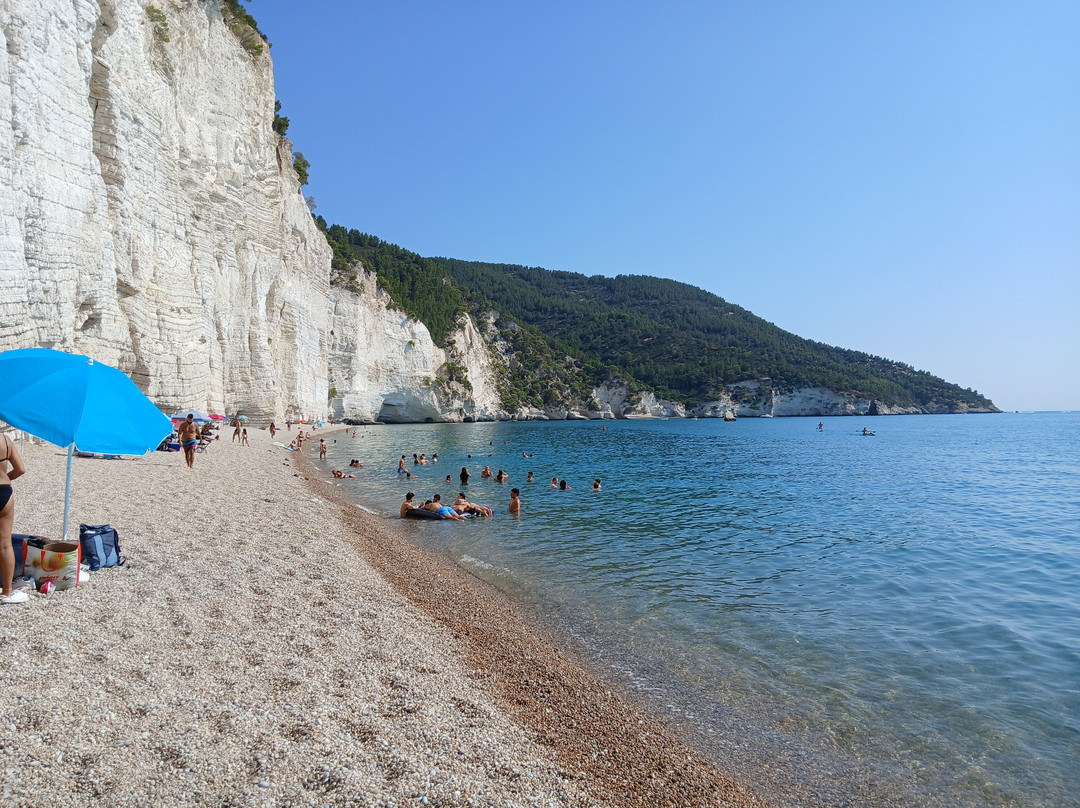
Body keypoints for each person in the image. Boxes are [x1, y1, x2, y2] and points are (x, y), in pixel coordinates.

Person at [1, 432, 28, 605]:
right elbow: (20, 470)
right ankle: (7, 591)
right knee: (5, 545)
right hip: (4, 492)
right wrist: (5, 479)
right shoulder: (5, 440)